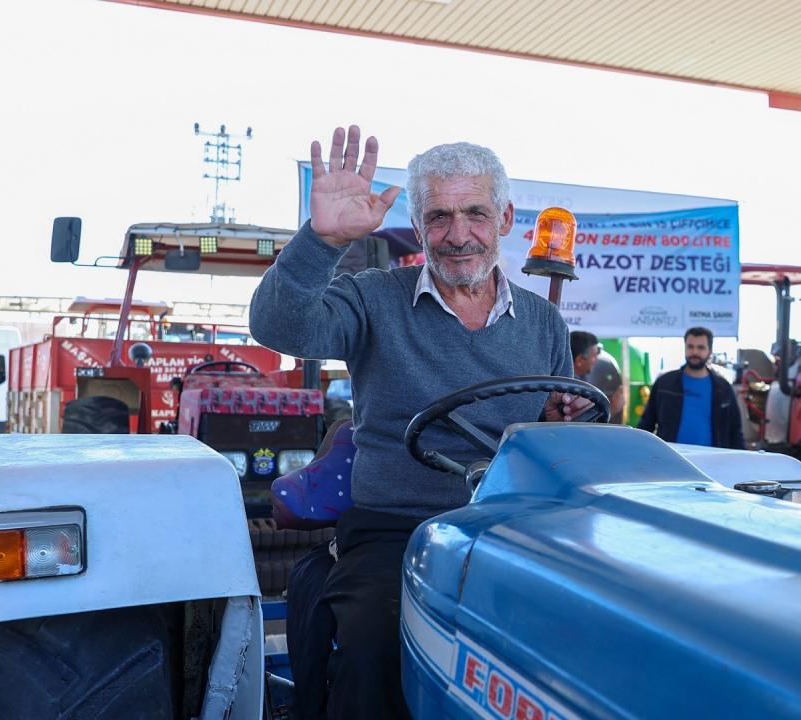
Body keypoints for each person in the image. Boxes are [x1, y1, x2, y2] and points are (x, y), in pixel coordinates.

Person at [249, 125, 590, 719]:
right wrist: (321, 242)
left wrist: (563, 415)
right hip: (395, 529)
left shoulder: (544, 322)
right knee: (372, 645)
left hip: (510, 526)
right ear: (417, 223)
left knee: (583, 629)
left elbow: (550, 434)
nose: (458, 235)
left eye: (475, 213)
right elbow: (280, 327)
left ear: (506, 219)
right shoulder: (373, 299)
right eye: (439, 217)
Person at [637, 326, 745, 449]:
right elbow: (646, 424)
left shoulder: (723, 389)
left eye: (700, 347)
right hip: (671, 457)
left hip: (712, 458)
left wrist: (742, 458)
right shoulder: (664, 383)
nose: (694, 352)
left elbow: (735, 432)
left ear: (709, 351)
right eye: (690, 347)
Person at [570, 330, 625, 424]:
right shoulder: (570, 389)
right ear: (579, 360)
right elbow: (581, 425)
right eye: (594, 356)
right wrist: (613, 408)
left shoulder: (579, 380)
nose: (596, 360)